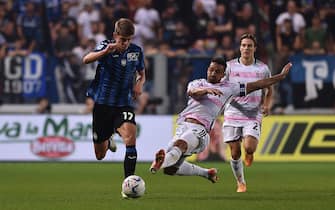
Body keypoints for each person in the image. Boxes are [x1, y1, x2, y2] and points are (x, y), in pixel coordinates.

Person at [149, 57, 292, 184]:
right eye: (211, 69)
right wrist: (206, 90)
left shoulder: (229, 88)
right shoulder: (197, 83)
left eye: (217, 71)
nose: (213, 73)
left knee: (180, 145)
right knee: (171, 169)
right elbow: (193, 94)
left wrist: (280, 76)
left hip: (200, 131)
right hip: (183, 126)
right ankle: (206, 173)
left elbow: (257, 85)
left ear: (223, 75)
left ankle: (157, 163)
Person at [82, 19, 146, 182]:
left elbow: (142, 73)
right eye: (122, 39)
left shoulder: (136, 51)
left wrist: (139, 84)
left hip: (123, 104)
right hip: (103, 105)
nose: (126, 43)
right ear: (115, 35)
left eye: (129, 39)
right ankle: (108, 136)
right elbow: (86, 59)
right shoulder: (106, 46)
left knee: (130, 137)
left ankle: (129, 181)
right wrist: (106, 51)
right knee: (100, 155)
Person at [222, 33, 273, 193]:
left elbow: (269, 89)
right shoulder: (230, 66)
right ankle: (241, 182)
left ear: (254, 48)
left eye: (249, 45)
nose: (246, 48)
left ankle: (250, 153)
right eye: (243, 45)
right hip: (232, 112)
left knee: (249, 147)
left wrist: (266, 104)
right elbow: (222, 86)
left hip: (252, 114)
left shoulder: (262, 68)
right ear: (240, 47)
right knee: (235, 152)